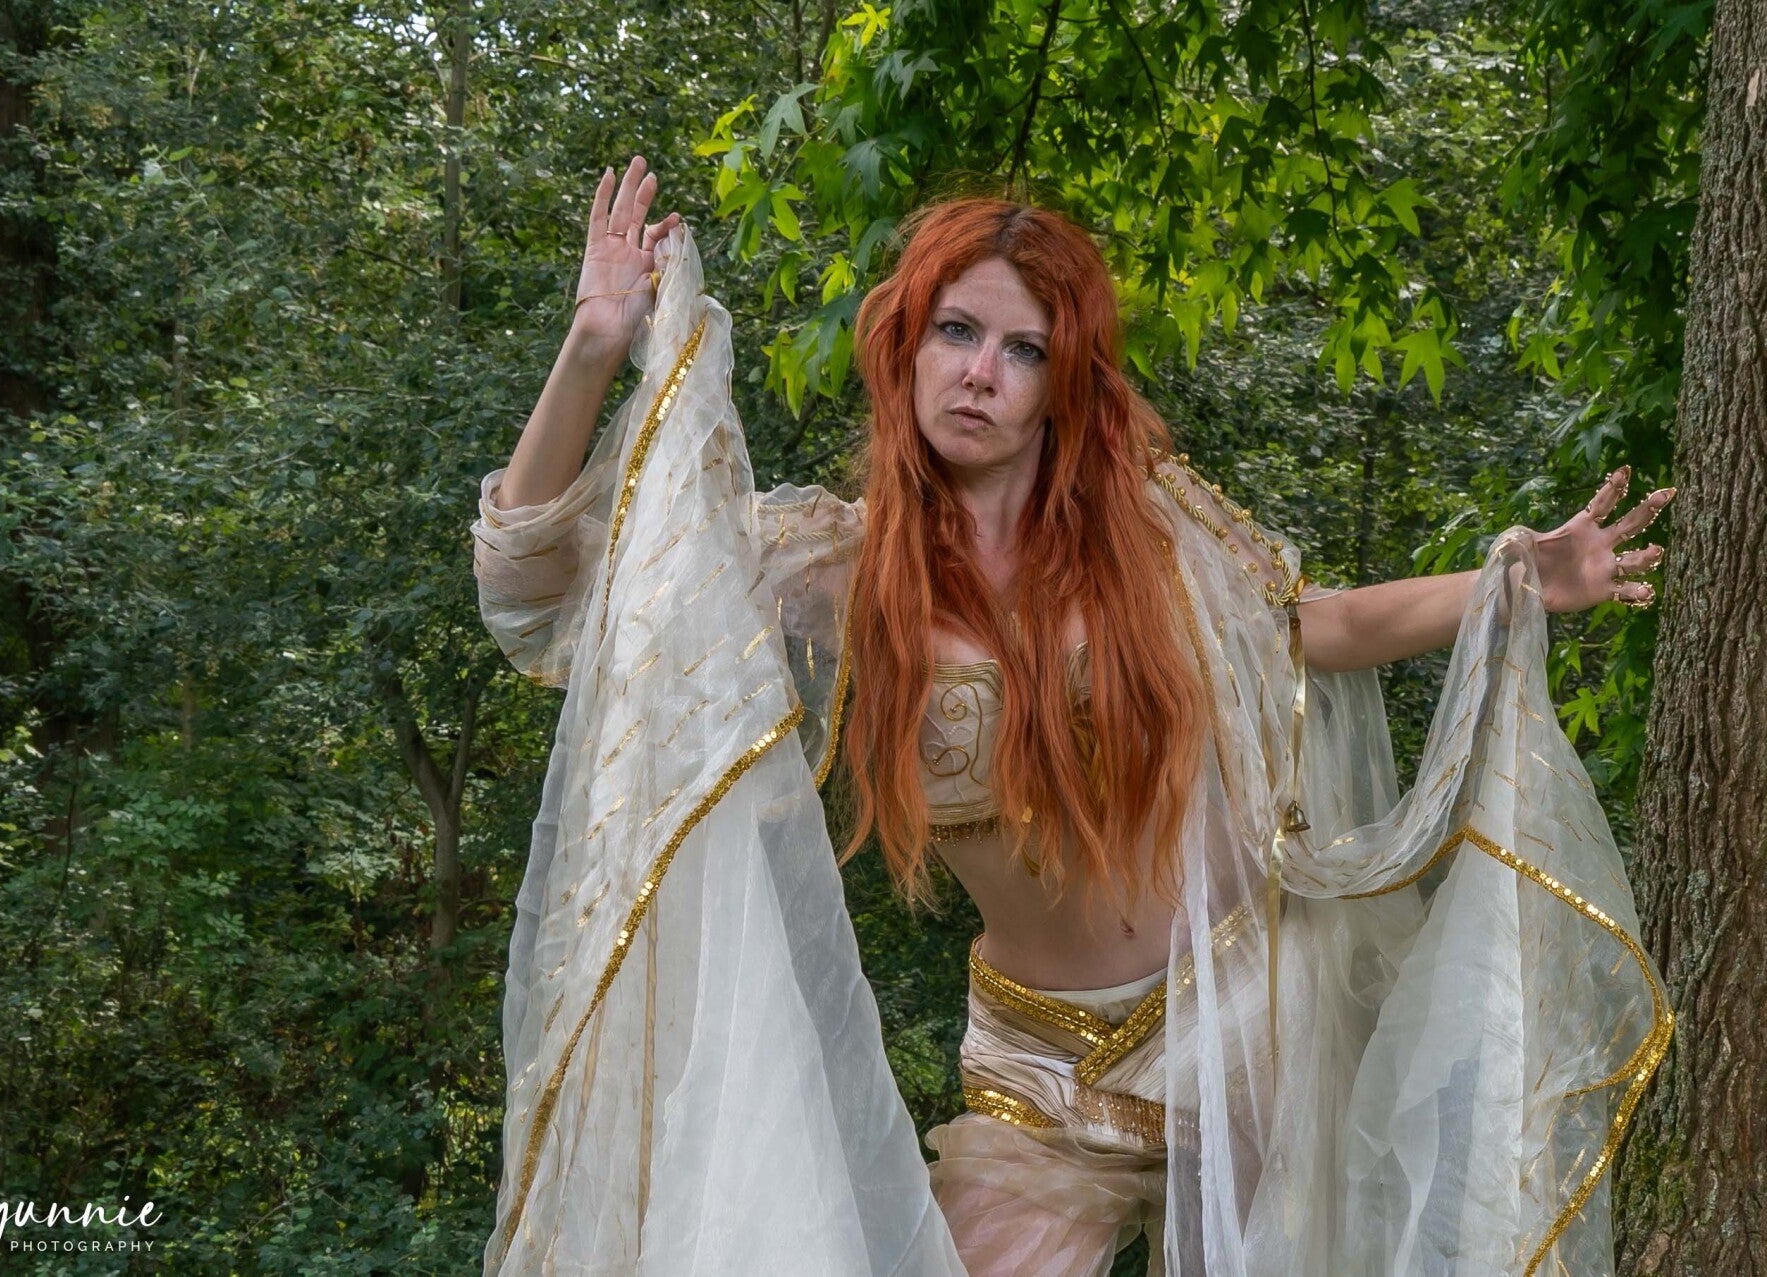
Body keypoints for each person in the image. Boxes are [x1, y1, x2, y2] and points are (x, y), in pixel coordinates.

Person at [471, 156, 1676, 1277]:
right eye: (955, 330)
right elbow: (546, 595)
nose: (979, 372)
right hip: (1037, 1063)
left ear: (1060, 384)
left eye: (1022, 349)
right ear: (905, 346)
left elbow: (1316, 626)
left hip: (1249, 1011)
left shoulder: (1148, 539)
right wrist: (592, 346)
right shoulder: (827, 572)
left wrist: (1515, 581)